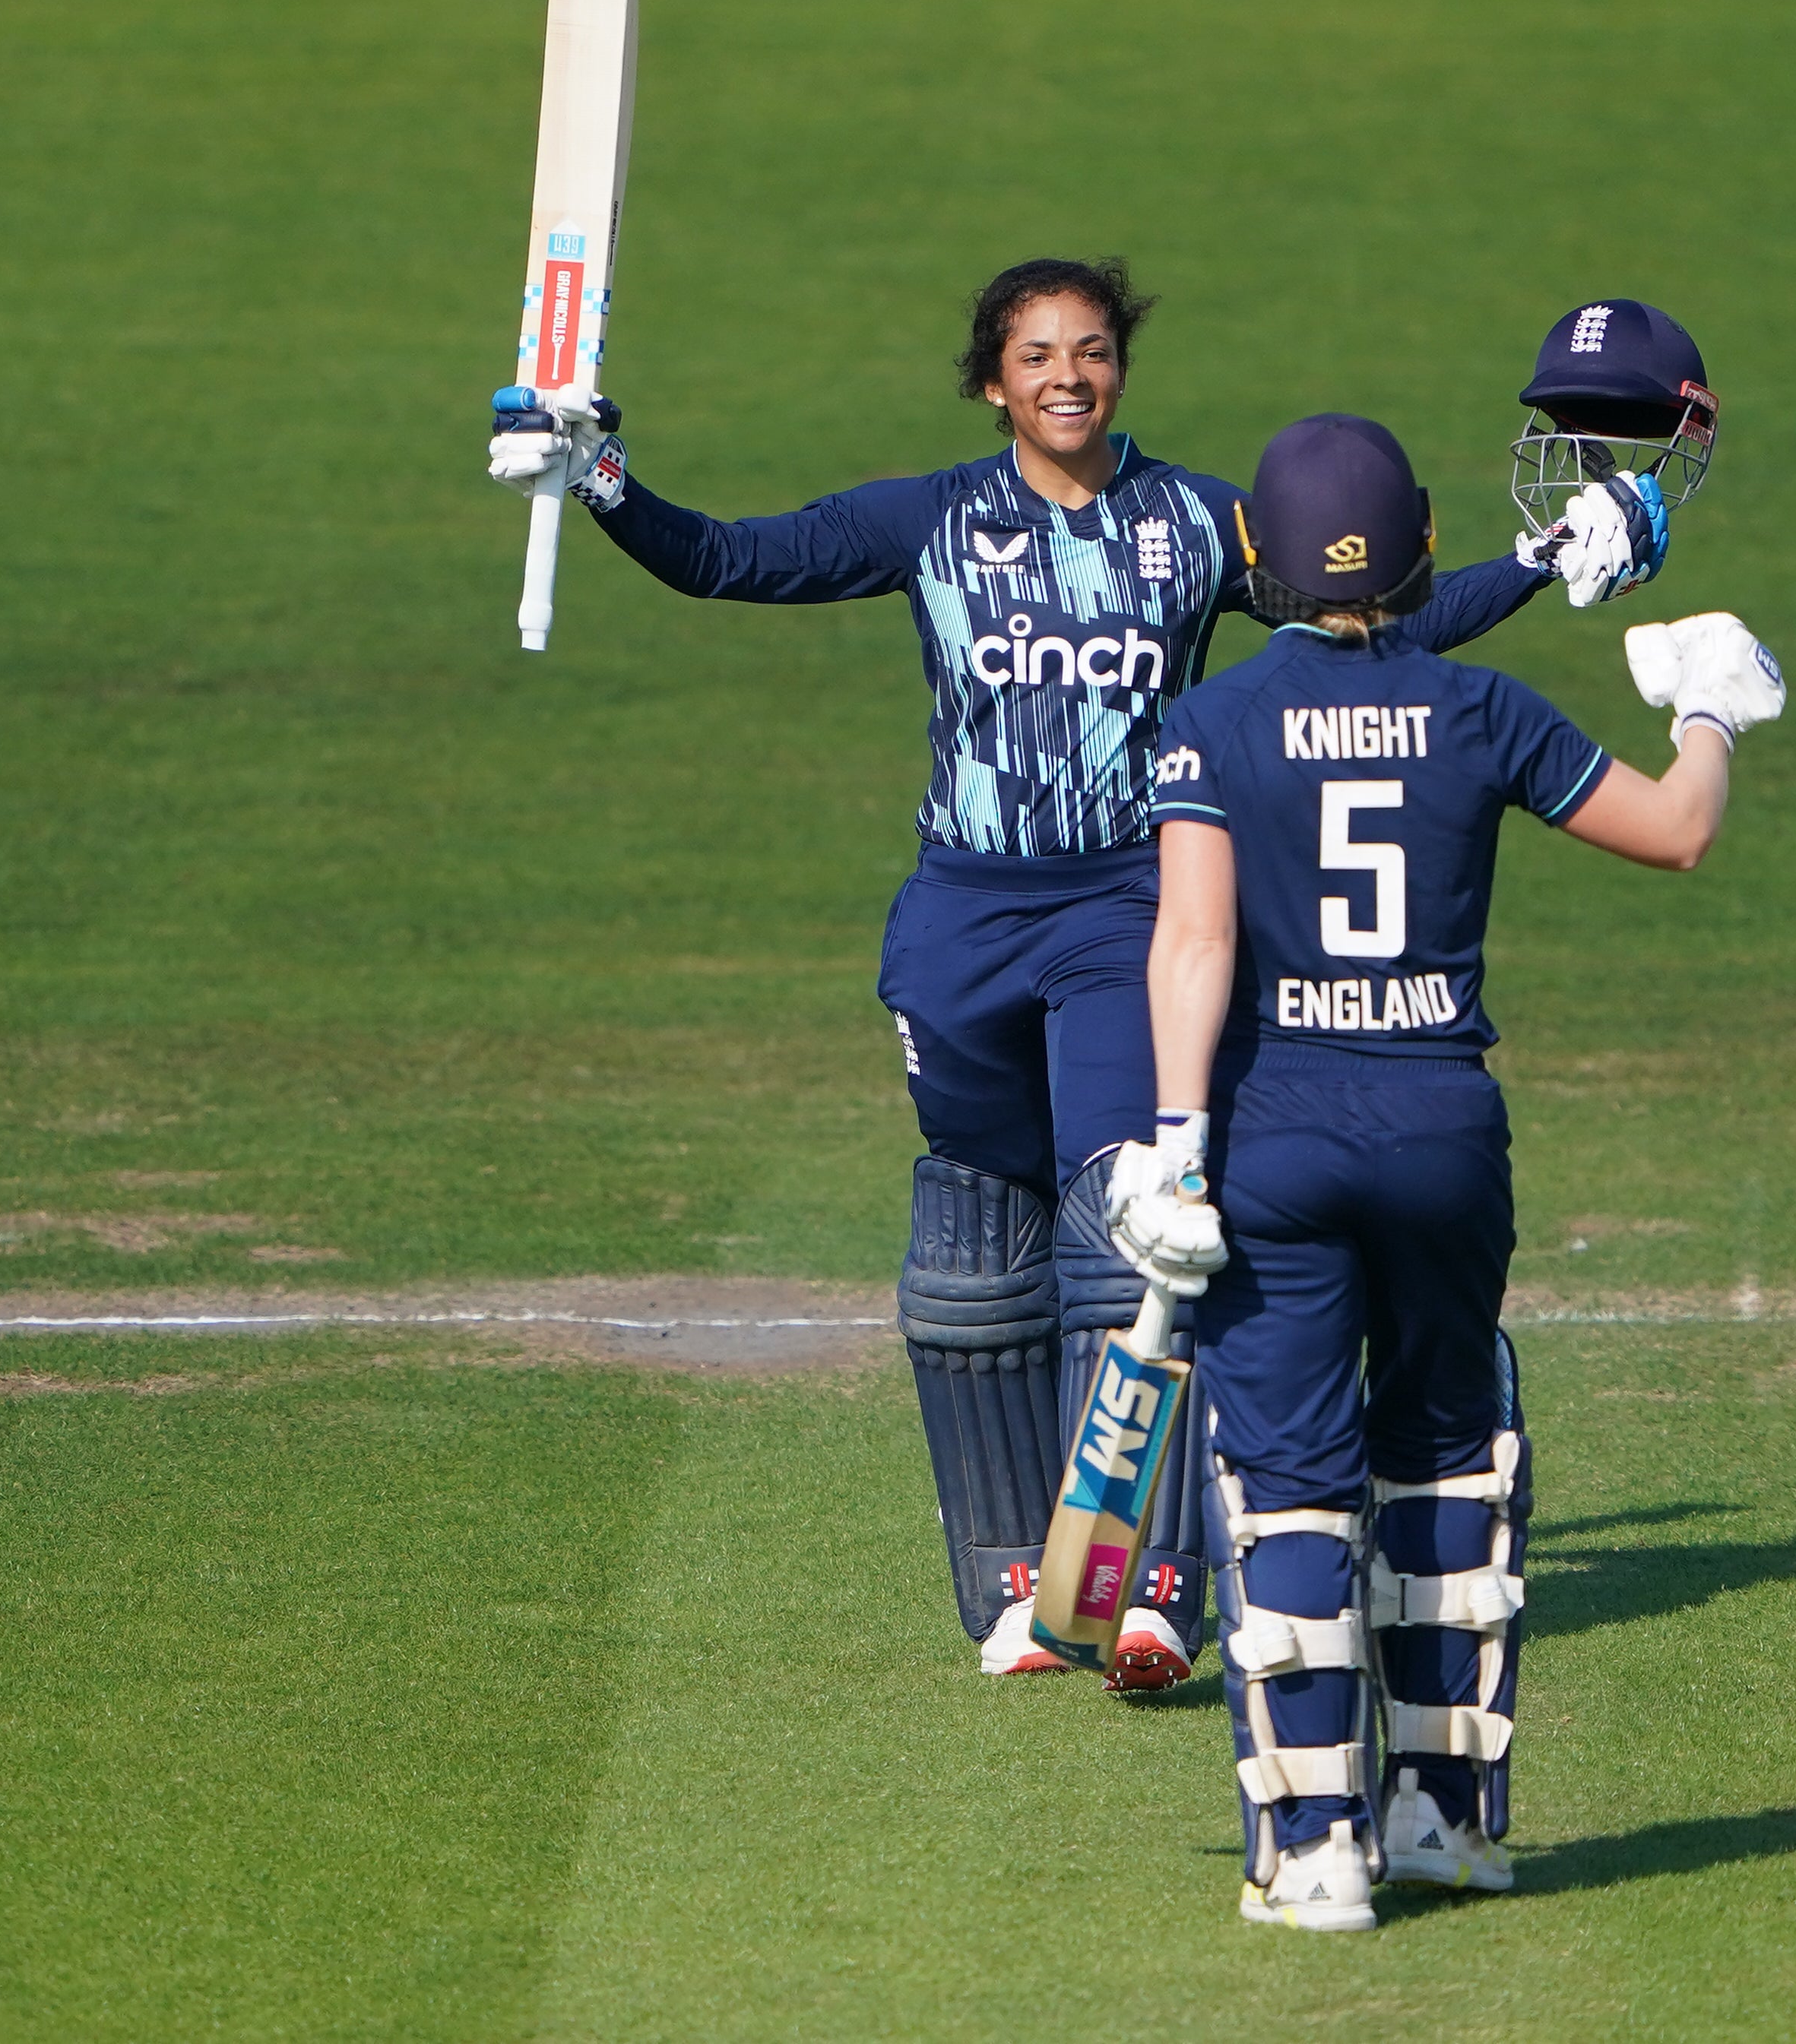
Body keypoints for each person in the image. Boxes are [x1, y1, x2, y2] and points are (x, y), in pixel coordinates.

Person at [484, 263, 1684, 1686]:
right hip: (960, 923)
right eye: (1038, 355)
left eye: (1094, 351)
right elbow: (728, 559)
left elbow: (1374, 622)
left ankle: (1147, 1584)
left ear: (1120, 371)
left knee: (1126, 1219)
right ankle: (1020, 1581)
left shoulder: (1195, 520)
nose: (1069, 375)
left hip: (1125, 907)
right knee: (982, 1239)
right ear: (992, 382)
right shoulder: (931, 519)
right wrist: (601, 472)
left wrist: (1547, 561)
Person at [1109, 409, 1785, 1929]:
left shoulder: (1213, 721)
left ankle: (1316, 1852)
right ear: (1423, 552)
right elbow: (1676, 835)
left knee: (1289, 1487)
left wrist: (1171, 1146)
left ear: (1262, 570)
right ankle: (1447, 1821)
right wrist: (1713, 710)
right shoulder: (1482, 708)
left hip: (1275, 1140)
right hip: (1439, 1138)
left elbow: (1195, 940)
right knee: (1447, 1459)